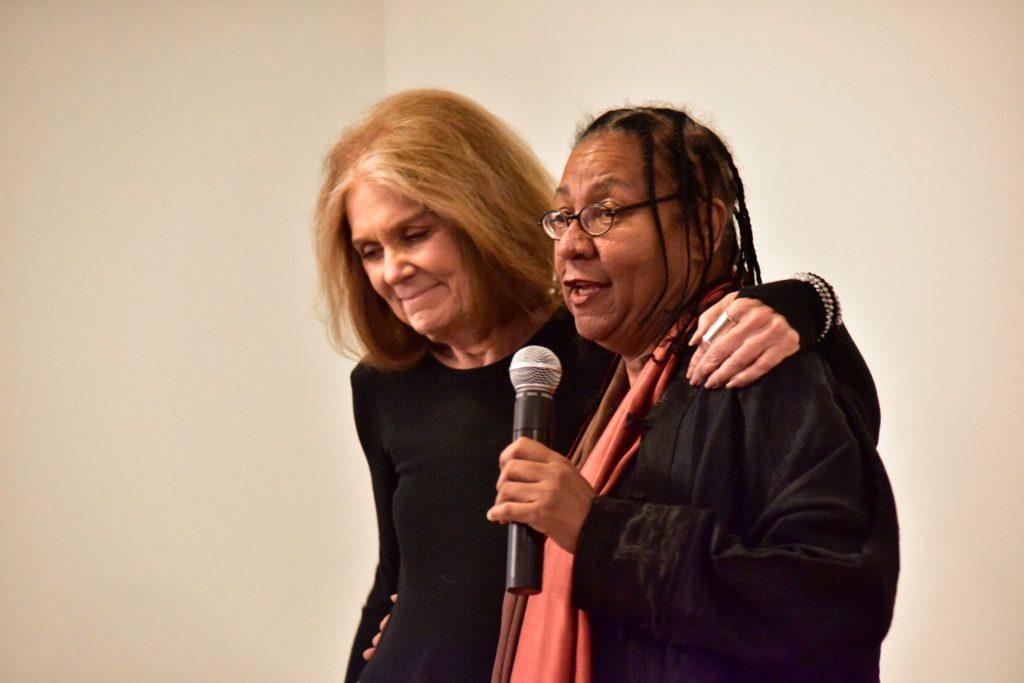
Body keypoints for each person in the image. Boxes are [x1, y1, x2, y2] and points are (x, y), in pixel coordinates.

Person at [314, 90, 849, 683]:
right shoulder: (383, 386)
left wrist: (808, 300)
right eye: (369, 250)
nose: (393, 269)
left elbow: (816, 576)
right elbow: (396, 578)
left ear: (480, 213)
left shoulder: (602, 341)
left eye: (414, 235)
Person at [489, 105, 899, 682]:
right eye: (564, 217)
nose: (571, 245)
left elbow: (837, 603)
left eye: (604, 213)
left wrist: (600, 533)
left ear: (706, 226)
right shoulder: (612, 388)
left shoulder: (757, 370)